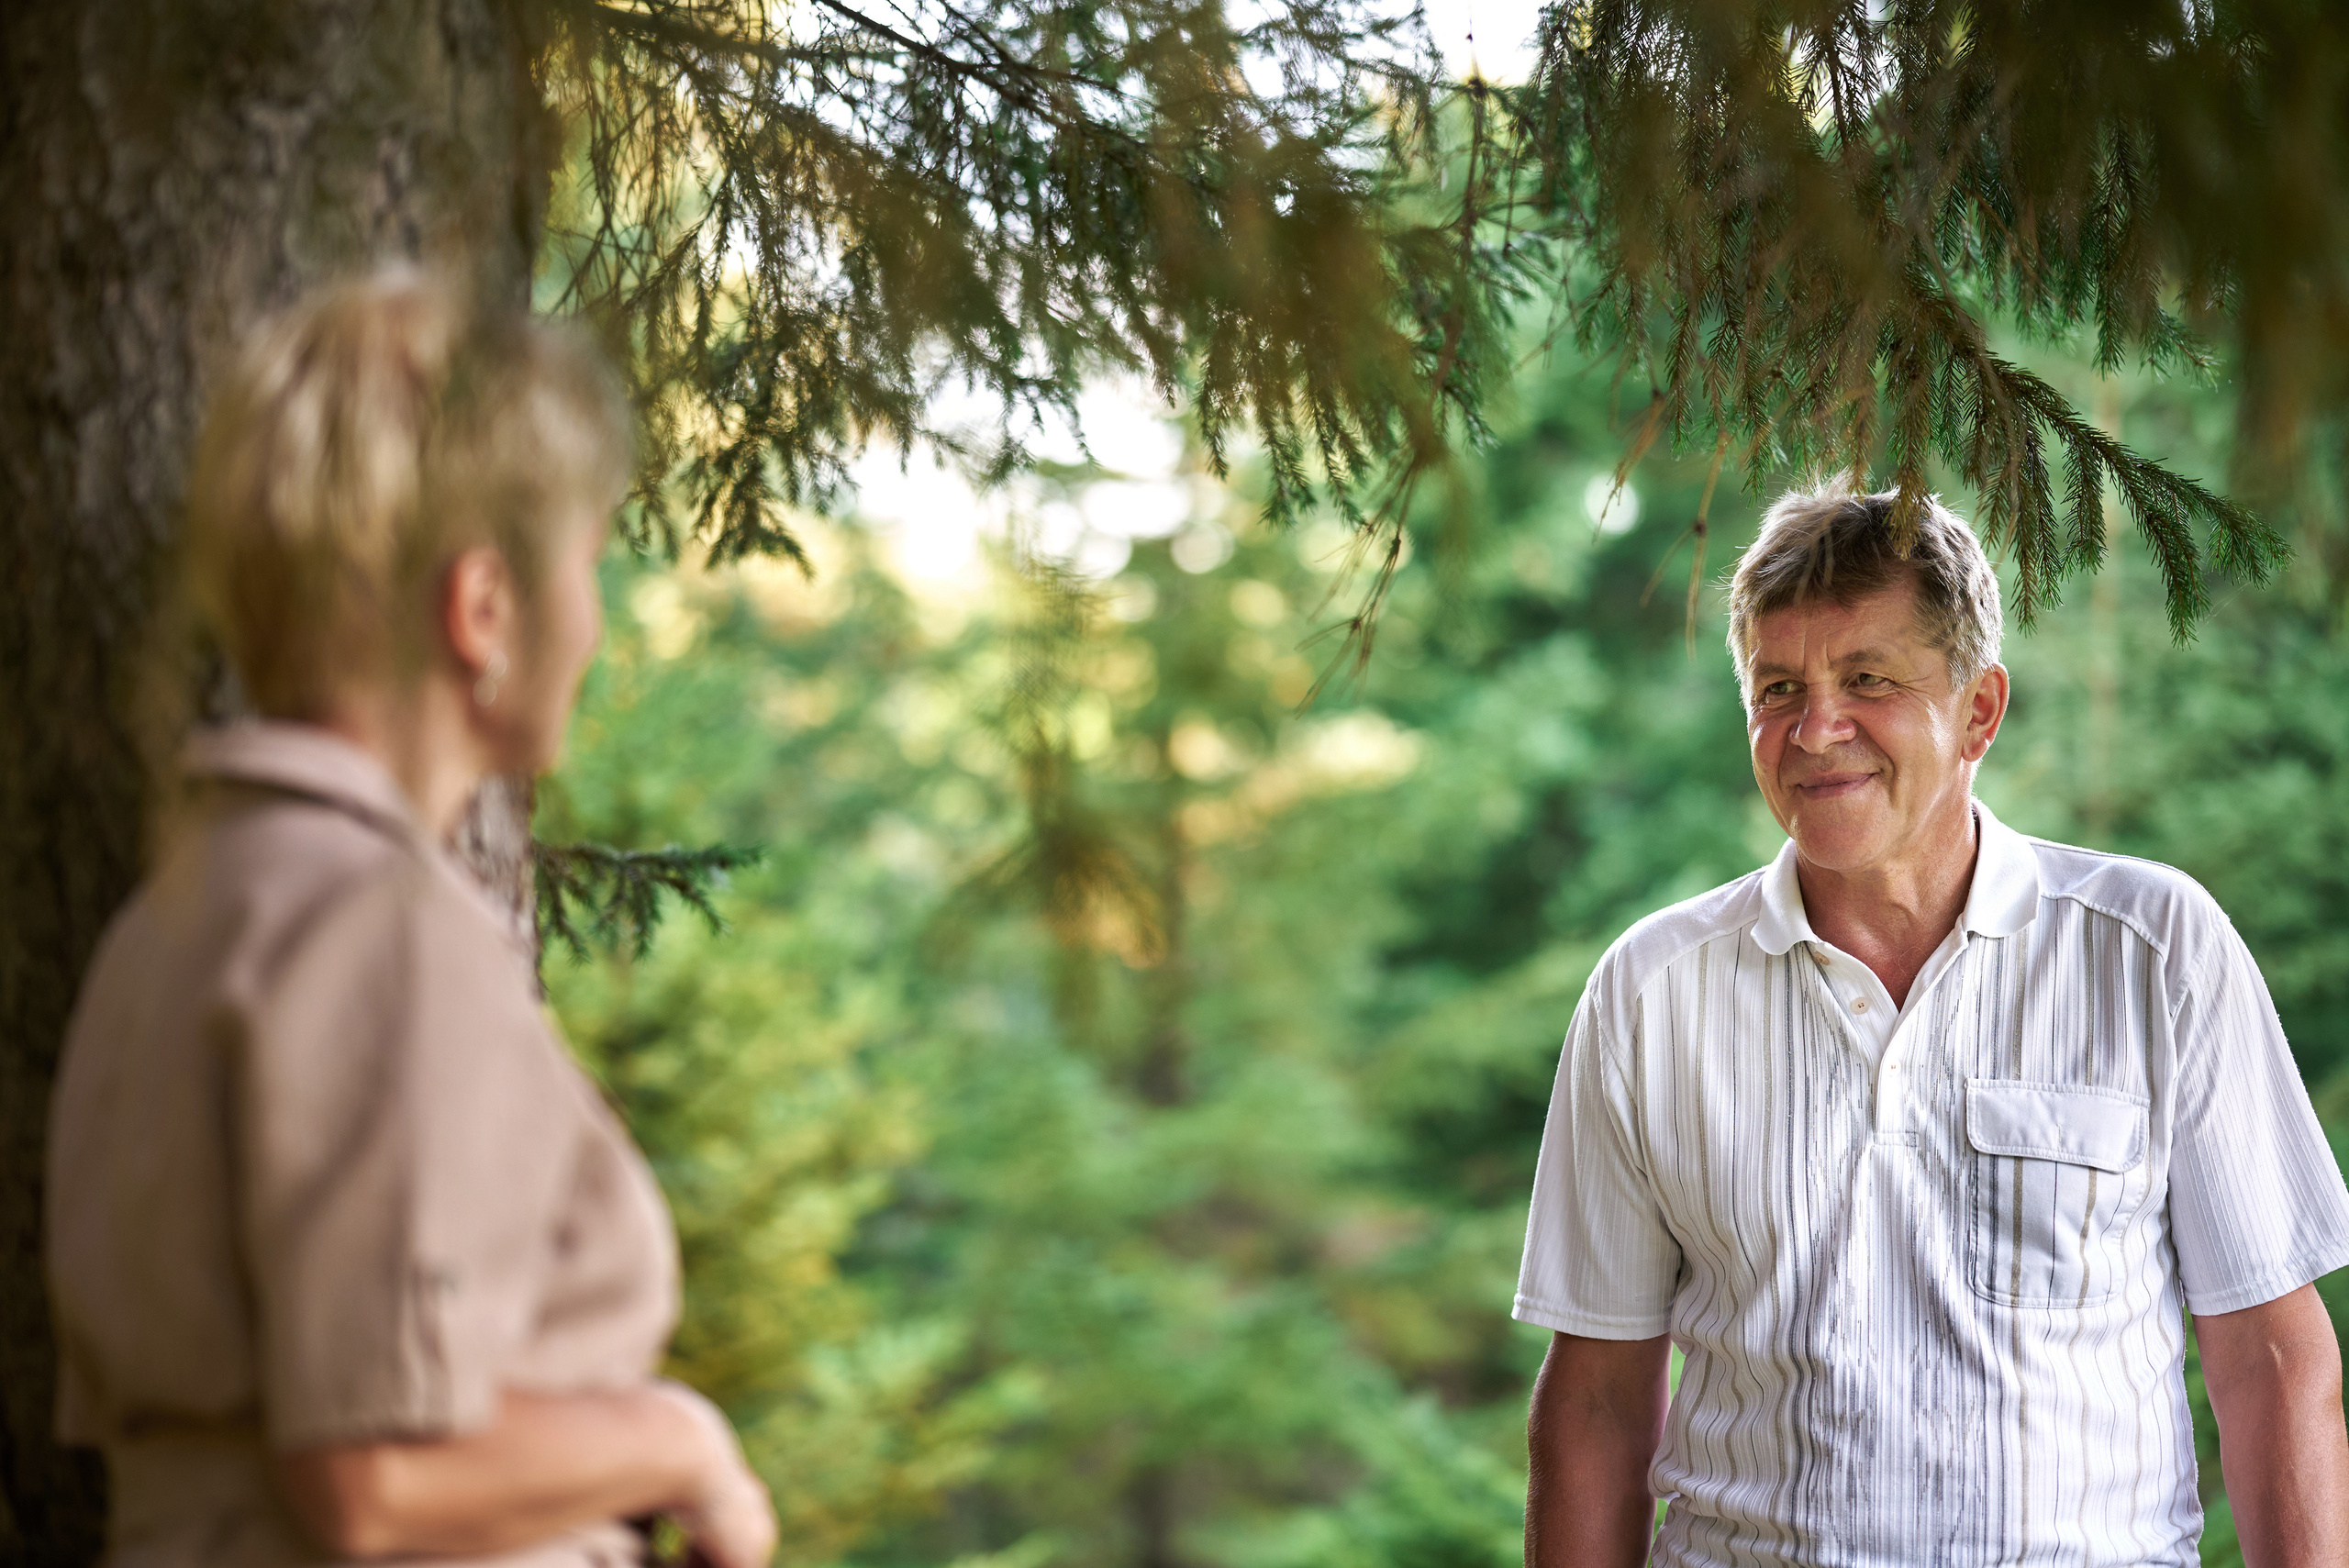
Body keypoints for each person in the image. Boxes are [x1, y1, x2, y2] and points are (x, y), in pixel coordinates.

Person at [45, 272, 777, 1568]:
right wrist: (681, 1443)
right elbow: (376, 1473)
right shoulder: (382, 931)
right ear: (484, 609)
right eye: (588, 567)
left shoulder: (174, 916)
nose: (595, 624)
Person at [1514, 487, 2349, 1568]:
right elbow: (1595, 1399)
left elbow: (2271, 1359)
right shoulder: (1649, 991)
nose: (1815, 729)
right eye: (1778, 688)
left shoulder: (2154, 950)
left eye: (1868, 679)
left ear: (1978, 711)